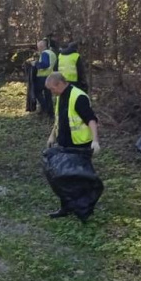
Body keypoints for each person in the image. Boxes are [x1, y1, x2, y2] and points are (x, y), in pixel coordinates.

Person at [45, 72, 101, 219]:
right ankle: (66, 207)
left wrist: (95, 141)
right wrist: (52, 135)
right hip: (64, 144)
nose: (52, 92)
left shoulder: (78, 97)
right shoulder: (60, 96)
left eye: (52, 89)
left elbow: (91, 120)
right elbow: (60, 119)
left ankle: (84, 209)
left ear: (59, 84)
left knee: (80, 179)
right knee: (64, 177)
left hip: (80, 146)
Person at [34, 39, 56, 117]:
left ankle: (44, 107)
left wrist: (36, 64)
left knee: (36, 92)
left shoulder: (44, 53)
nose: (38, 49)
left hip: (43, 77)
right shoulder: (52, 53)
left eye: (38, 47)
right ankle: (50, 113)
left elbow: (45, 64)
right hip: (50, 76)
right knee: (48, 95)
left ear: (41, 47)